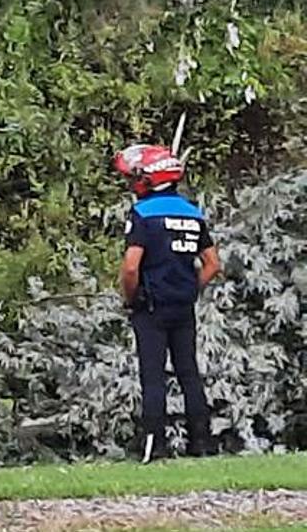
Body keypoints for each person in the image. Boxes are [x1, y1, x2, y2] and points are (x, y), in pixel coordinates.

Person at [114, 144, 222, 463]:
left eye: (137, 178)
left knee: (153, 375)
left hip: (151, 305)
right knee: (189, 372)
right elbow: (213, 263)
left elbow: (131, 266)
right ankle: (201, 442)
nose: (134, 184)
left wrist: (131, 297)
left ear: (150, 180)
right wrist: (190, 287)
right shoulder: (191, 212)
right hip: (182, 306)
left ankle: (154, 445)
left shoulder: (143, 214)